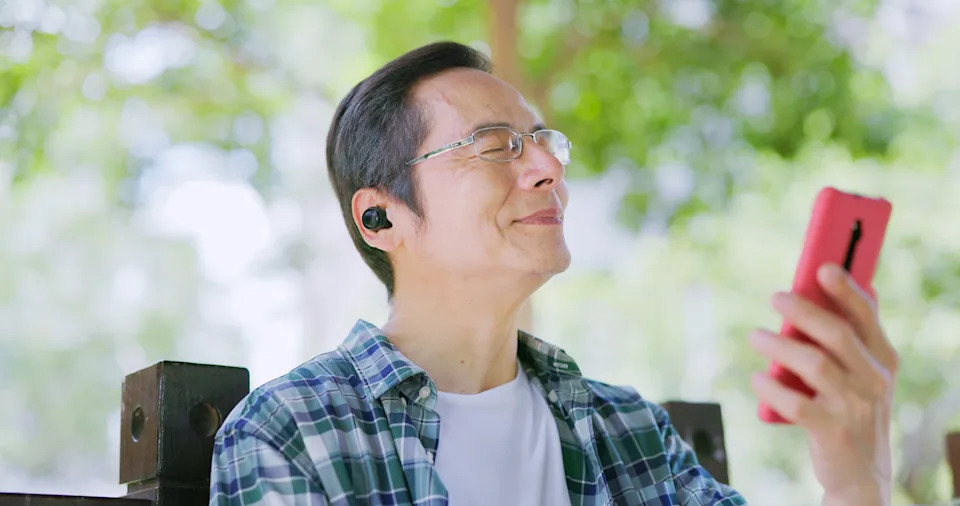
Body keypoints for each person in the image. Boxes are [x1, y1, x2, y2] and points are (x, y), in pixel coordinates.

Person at [209, 41, 899, 506]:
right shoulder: (290, 430)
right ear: (381, 219)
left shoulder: (628, 429)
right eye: (494, 146)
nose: (548, 167)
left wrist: (855, 477)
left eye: (543, 141)